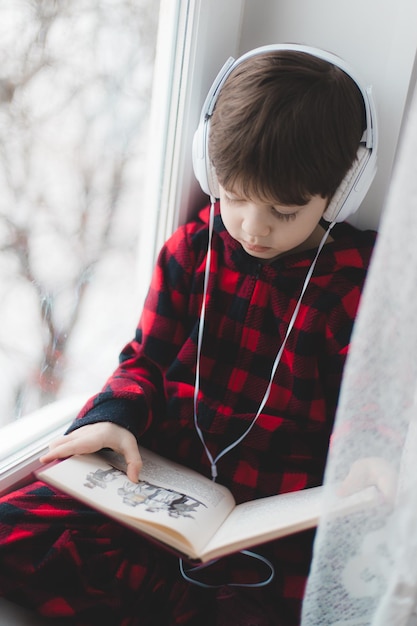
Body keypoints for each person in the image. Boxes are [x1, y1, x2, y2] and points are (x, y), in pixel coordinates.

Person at [0, 44, 378, 626]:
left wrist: (370, 455)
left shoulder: (351, 287)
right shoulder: (190, 253)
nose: (253, 227)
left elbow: (366, 401)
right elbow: (144, 359)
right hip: (162, 481)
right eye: (234, 197)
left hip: (272, 518)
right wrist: (112, 417)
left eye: (284, 211)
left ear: (342, 190)